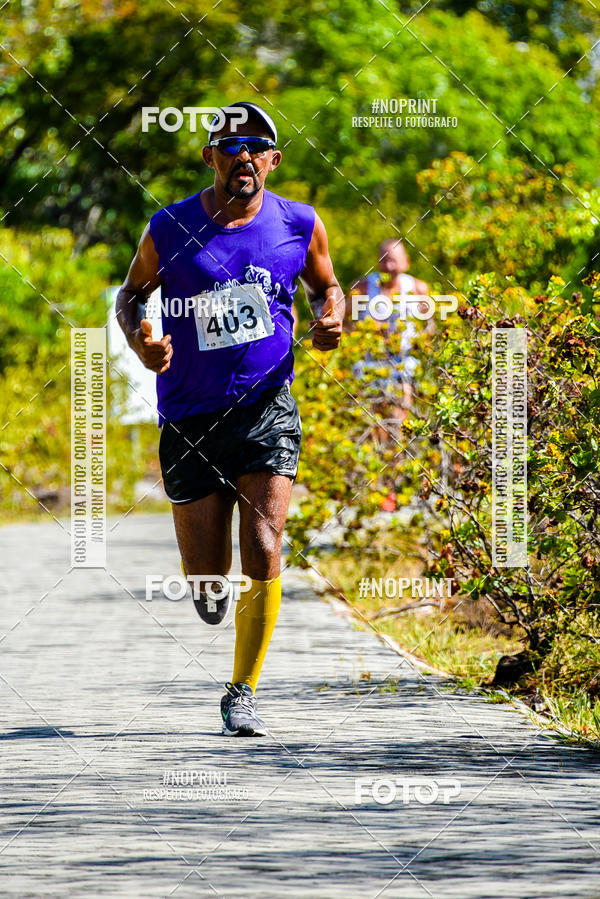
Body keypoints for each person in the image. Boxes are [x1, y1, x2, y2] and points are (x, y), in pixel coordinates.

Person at [116, 101, 343, 736]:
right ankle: (211, 593)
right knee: (209, 584)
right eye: (230, 145)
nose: (243, 155)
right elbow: (131, 295)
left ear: (271, 160)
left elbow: (329, 285)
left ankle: (241, 691)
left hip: (266, 406)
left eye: (256, 146)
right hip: (188, 414)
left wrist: (334, 316)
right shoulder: (169, 226)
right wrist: (142, 340)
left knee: (265, 544)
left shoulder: (300, 223)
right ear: (210, 156)